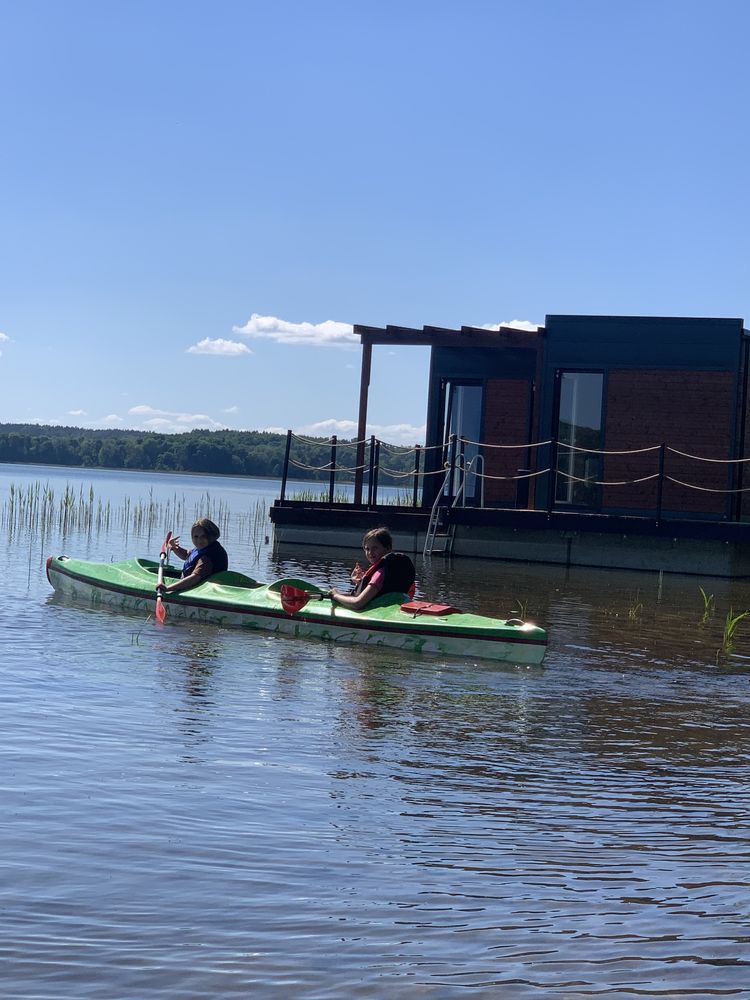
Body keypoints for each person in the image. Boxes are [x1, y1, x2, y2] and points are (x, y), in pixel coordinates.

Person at [327, 527, 415, 611]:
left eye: (375, 548)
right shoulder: (392, 570)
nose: (370, 553)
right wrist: (361, 582)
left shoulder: (379, 574)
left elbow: (357, 603)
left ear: (388, 548)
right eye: (367, 549)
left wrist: (335, 595)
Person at [160, 517, 228, 594]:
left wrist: (168, 588)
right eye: (196, 537)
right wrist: (175, 548)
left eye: (203, 536)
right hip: (196, 586)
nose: (199, 540)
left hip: (203, 591)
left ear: (211, 536)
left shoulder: (207, 558)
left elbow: (195, 578)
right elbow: (187, 555)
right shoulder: (204, 547)